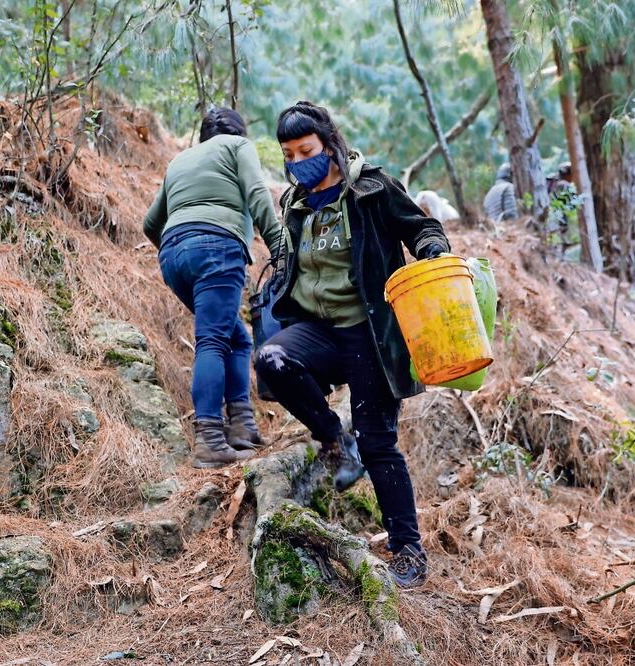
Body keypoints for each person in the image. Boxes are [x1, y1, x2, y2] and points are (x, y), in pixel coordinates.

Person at [254, 101, 450, 588]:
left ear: (329, 144)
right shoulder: (295, 204)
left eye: (308, 150)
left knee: (379, 440)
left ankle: (408, 552)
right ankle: (334, 439)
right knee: (271, 360)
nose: (300, 161)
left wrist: (430, 250)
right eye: (290, 154)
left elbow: (422, 226)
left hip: (368, 330)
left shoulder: (371, 188)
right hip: (319, 329)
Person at [143, 107, 282, 469]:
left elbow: (149, 223)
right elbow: (257, 194)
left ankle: (242, 425)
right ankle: (208, 438)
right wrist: (282, 249)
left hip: (173, 256)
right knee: (213, 340)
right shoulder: (238, 146)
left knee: (237, 338)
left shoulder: (179, 162)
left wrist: (182, 246)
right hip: (218, 249)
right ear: (238, 130)